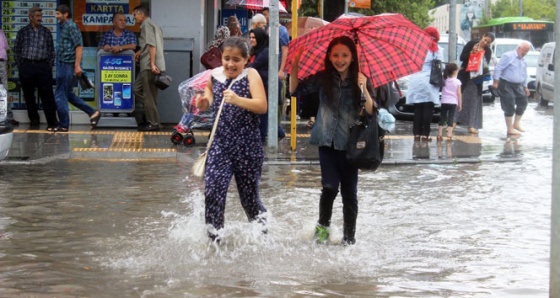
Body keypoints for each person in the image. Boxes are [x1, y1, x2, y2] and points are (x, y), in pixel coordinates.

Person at [289, 36, 377, 245]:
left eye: (345, 55)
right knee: (329, 187)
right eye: (335, 55)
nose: (340, 59)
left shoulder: (361, 80)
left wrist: (363, 88)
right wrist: (295, 64)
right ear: (329, 56)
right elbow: (294, 90)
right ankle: (322, 232)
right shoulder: (322, 78)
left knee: (349, 194)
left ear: (352, 58)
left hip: (351, 146)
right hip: (326, 143)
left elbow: (373, 111)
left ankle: (349, 240)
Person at [195, 37, 268, 242]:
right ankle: (215, 241)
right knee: (212, 193)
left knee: (250, 200)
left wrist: (237, 100)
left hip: (247, 147)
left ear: (246, 60)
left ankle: (262, 238)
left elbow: (262, 106)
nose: (230, 64)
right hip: (220, 145)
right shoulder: (215, 75)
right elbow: (209, 93)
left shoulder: (251, 75)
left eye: (236, 59)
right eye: (227, 58)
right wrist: (204, 102)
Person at [54, 5, 100, 132]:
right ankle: (93, 112)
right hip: (63, 64)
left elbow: (79, 46)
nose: (56, 16)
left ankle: (63, 124)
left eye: (58, 14)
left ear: (66, 14)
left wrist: (77, 66)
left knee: (59, 95)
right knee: (68, 94)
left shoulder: (71, 26)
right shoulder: (64, 27)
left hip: (67, 64)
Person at [13, 6, 59, 130]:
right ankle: (34, 119)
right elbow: (16, 50)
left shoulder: (46, 31)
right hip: (27, 66)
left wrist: (48, 66)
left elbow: (51, 51)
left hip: (42, 66)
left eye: (40, 16)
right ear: (31, 17)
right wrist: (21, 65)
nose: (40, 18)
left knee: (47, 94)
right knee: (28, 95)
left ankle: (52, 121)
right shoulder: (23, 32)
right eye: (37, 16)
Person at [247, 27, 285, 142]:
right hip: (263, 86)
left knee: (264, 113)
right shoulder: (258, 50)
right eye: (250, 37)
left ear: (260, 38)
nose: (251, 40)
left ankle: (262, 136)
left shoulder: (265, 52)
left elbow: (253, 66)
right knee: (267, 113)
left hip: (268, 87)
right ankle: (278, 132)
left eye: (254, 37)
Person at [406, 26, 443, 141]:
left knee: (418, 108)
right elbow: (439, 66)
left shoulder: (416, 47)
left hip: (415, 81)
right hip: (429, 82)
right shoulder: (436, 50)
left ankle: (416, 134)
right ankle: (425, 135)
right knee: (428, 108)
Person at [132, 6, 166, 131]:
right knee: (139, 90)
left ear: (141, 14)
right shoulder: (154, 25)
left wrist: (152, 63)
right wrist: (140, 51)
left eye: (135, 15)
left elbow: (152, 45)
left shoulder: (146, 25)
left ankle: (154, 122)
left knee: (149, 95)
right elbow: (149, 44)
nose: (134, 18)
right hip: (148, 64)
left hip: (148, 65)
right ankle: (153, 118)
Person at [456, 32, 495, 134]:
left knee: (474, 100)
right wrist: (472, 53)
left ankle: (471, 125)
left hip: (477, 78)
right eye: (485, 39)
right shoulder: (471, 44)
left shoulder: (488, 51)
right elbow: (462, 57)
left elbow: (485, 64)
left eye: (488, 42)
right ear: (483, 36)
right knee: (460, 97)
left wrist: (481, 54)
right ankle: (453, 122)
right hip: (465, 75)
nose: (485, 42)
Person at [492, 41, 531, 136]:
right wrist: (496, 82)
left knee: (523, 101)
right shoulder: (508, 56)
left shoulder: (524, 61)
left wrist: (525, 87)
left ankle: (516, 123)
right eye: (524, 50)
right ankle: (509, 128)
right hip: (506, 83)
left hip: (518, 85)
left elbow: (524, 74)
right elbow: (498, 68)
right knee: (509, 103)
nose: (525, 53)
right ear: (519, 48)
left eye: (527, 51)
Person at [262, 8, 290, 127]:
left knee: (278, 101)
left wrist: (281, 70)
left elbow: (285, 51)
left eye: (265, 14)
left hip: (277, 70)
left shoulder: (282, 31)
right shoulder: (266, 29)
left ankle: (276, 128)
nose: (264, 17)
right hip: (266, 71)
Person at [437, 63, 462, 141]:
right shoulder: (457, 82)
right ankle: (449, 135)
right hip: (453, 103)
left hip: (444, 101)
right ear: (455, 72)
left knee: (442, 118)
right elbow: (459, 94)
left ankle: (439, 134)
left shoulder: (444, 80)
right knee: (451, 118)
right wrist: (460, 104)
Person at [0, 29, 18, 126]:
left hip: (2, 63)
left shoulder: (1, 32)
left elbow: (5, 49)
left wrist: (7, 67)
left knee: (5, 91)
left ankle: (8, 117)